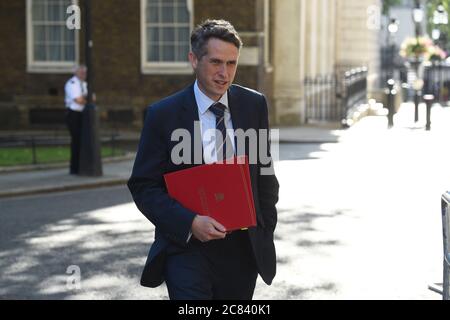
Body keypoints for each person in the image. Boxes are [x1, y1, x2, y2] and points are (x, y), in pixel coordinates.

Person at [128, 19, 279, 300]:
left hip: (242, 250)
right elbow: (143, 185)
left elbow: (266, 176)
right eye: (216, 62)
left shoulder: (254, 105)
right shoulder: (163, 115)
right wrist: (189, 223)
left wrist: (264, 228)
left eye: (232, 64)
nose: (224, 73)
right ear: (194, 60)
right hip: (187, 248)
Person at [64, 65, 87, 175]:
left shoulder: (84, 84)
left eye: (84, 72)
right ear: (76, 73)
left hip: (83, 114)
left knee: (83, 141)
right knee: (76, 141)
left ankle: (81, 166)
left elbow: (91, 98)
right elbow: (78, 100)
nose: (83, 74)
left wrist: (86, 100)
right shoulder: (72, 83)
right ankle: (74, 168)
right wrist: (87, 100)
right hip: (73, 114)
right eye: (81, 72)